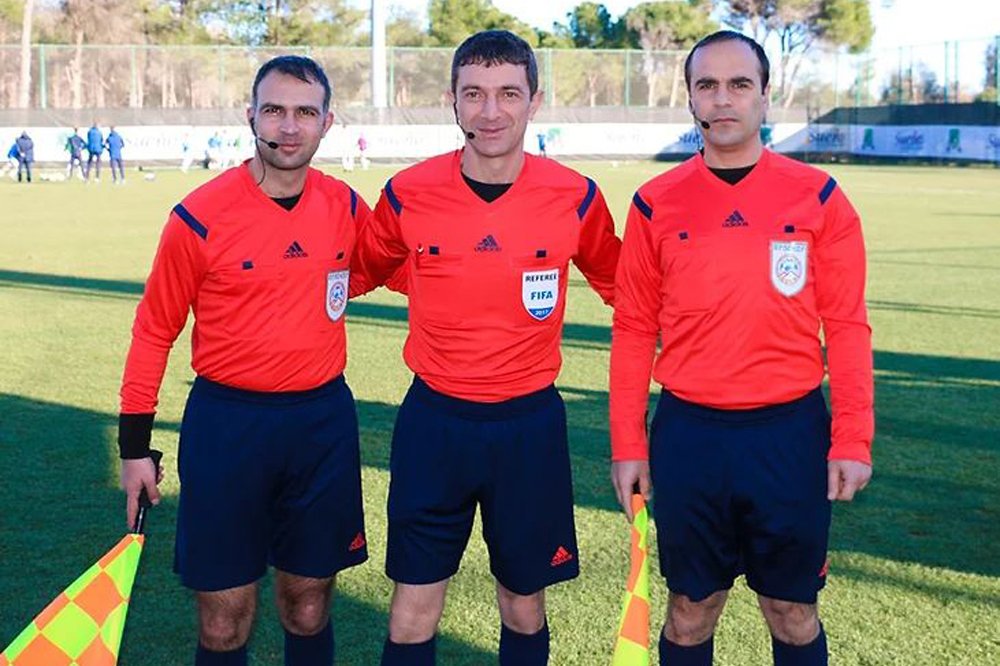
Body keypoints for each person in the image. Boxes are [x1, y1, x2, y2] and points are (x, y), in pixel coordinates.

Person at [351, 29, 622, 666]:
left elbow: (625, 288)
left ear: (535, 101)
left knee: (523, 604)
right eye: (473, 94)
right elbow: (359, 270)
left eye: (508, 93)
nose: (490, 111)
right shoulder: (408, 192)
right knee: (412, 608)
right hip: (434, 423)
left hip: (528, 426)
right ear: (452, 101)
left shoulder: (576, 196)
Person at [609, 30, 873, 666]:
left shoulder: (820, 197)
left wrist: (852, 438)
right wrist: (628, 444)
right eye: (707, 85)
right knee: (689, 610)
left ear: (764, 95)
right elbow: (634, 328)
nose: (722, 98)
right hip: (690, 435)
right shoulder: (654, 203)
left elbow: (846, 325)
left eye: (738, 84)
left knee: (792, 612)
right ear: (690, 98)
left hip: (789, 435)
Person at [118, 55, 371, 666]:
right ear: (250, 115)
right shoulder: (198, 216)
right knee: (224, 621)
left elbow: (390, 270)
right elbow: (155, 329)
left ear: (327, 122)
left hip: (321, 426)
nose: (289, 126)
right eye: (274, 110)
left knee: (308, 606)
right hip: (227, 427)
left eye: (305, 112)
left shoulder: (345, 206)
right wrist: (133, 448)